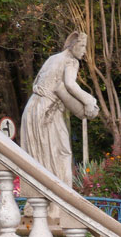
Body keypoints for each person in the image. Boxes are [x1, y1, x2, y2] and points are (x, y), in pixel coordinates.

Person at [21, 32, 99, 186]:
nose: (84, 51)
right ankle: (61, 200)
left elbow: (36, 83)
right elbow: (70, 84)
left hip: (32, 109)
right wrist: (89, 100)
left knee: (41, 156)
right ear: (72, 45)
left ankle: (43, 198)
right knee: (62, 152)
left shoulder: (52, 59)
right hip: (47, 110)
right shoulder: (71, 61)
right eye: (82, 46)